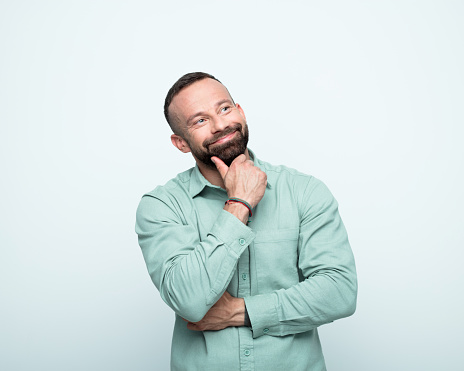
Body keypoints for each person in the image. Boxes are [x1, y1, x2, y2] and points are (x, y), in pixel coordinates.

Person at [135, 72, 357, 371]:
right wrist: (239, 204)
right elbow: (189, 300)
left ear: (240, 110)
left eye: (224, 108)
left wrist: (241, 312)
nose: (220, 125)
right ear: (181, 143)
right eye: (200, 121)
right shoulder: (161, 206)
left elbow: (339, 292)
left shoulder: (305, 191)